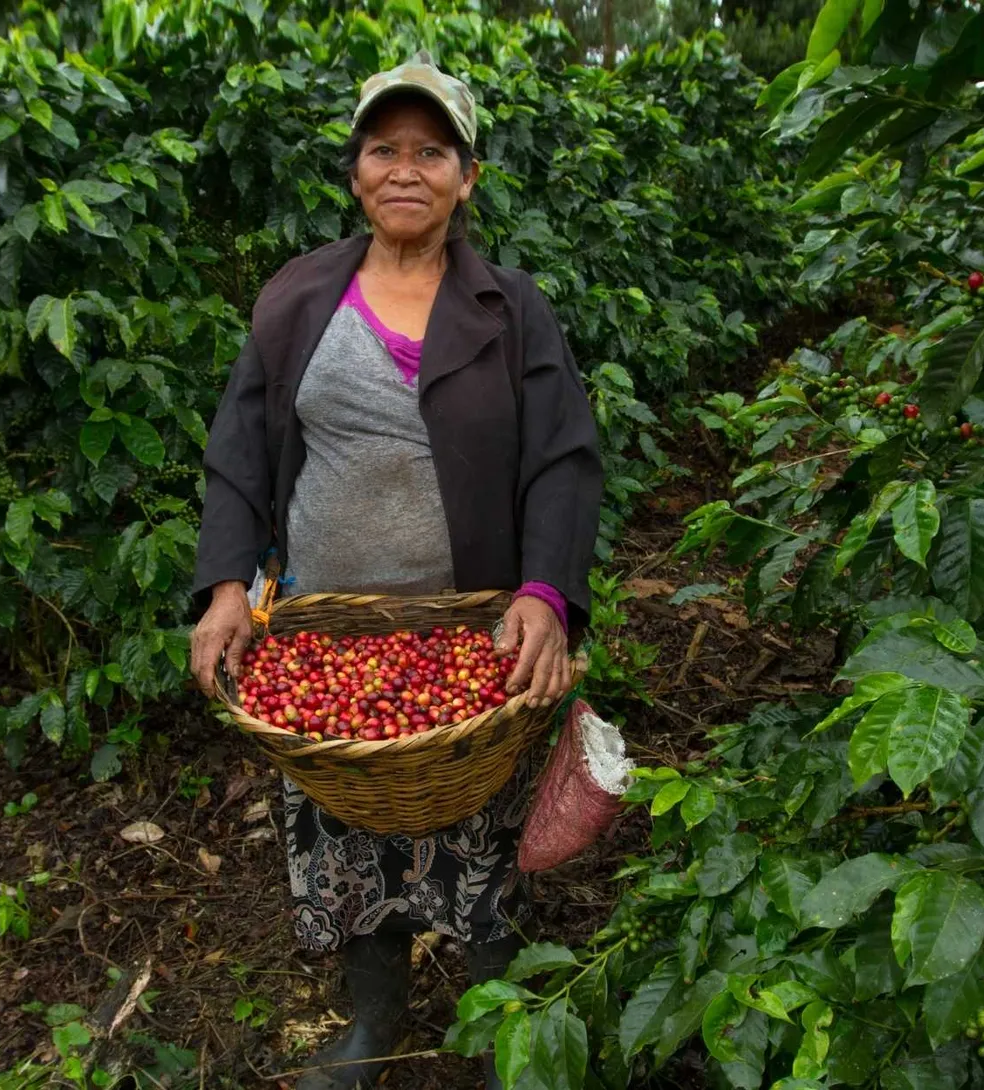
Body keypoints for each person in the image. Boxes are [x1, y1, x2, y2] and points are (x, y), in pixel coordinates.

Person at [188, 51, 602, 1090]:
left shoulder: (511, 312)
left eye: (432, 150)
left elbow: (562, 459)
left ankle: (509, 1025)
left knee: (483, 845)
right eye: (384, 148)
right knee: (352, 837)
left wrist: (546, 597)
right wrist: (230, 584)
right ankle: (375, 1026)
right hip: (329, 644)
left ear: (470, 175)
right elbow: (240, 446)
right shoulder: (298, 300)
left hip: (470, 649)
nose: (405, 168)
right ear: (355, 171)